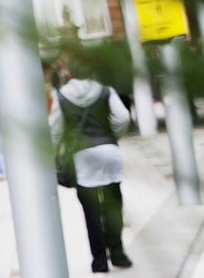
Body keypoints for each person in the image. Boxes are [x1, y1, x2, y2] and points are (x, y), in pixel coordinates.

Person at [49, 57, 133, 274]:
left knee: (91, 212)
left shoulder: (61, 95)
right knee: (114, 206)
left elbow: (55, 130)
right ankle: (119, 254)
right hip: (109, 152)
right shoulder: (106, 91)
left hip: (82, 157)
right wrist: (113, 135)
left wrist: (55, 153)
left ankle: (99, 261)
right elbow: (122, 117)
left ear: (69, 73)